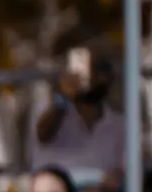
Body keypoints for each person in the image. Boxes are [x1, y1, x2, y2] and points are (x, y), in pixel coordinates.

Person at [32, 47, 127, 182]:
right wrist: (63, 98)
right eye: (91, 69)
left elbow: (123, 170)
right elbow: (42, 134)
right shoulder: (53, 111)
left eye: (103, 71)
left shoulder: (120, 124)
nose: (100, 78)